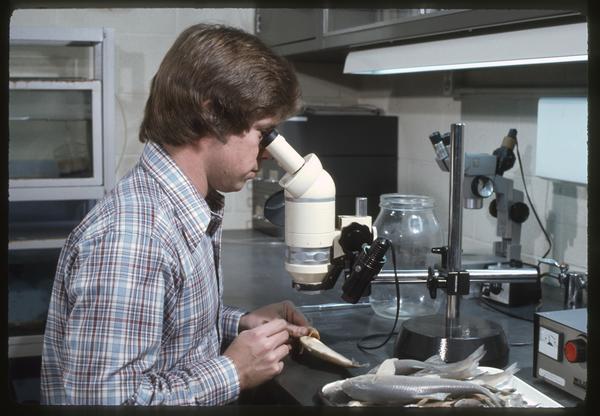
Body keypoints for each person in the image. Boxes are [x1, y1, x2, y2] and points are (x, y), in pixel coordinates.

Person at [40, 23, 310, 405]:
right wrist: (234, 371)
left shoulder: (182, 207)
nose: (267, 153)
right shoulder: (133, 239)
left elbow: (165, 327)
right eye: (262, 132)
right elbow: (103, 401)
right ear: (212, 114)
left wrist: (236, 322)